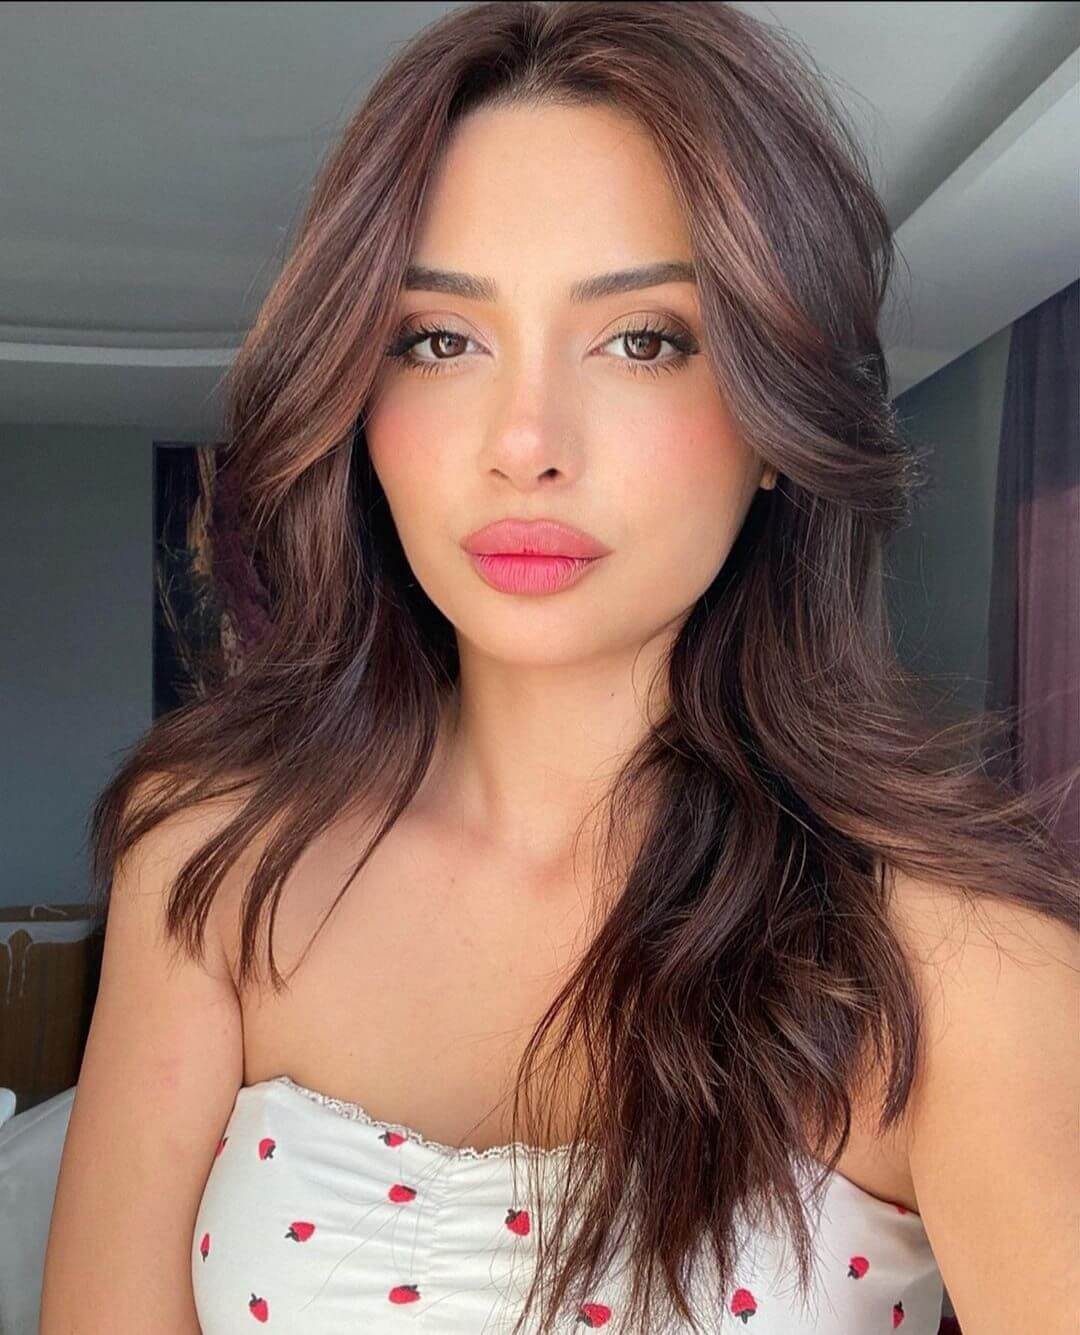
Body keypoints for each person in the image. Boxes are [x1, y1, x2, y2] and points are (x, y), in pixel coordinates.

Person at [40, 3, 1078, 1332]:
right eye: (440, 339)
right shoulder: (213, 850)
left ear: (780, 420)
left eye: (645, 339)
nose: (525, 443)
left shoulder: (952, 960)